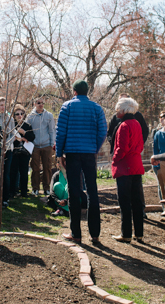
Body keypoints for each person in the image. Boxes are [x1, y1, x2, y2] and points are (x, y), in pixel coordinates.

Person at [56, 80, 107, 244]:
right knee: (92, 191)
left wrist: (59, 154)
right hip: (89, 153)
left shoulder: (67, 106)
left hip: (72, 152)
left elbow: (60, 132)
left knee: (73, 190)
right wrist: (95, 147)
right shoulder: (97, 108)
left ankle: (76, 233)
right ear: (88, 91)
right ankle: (95, 234)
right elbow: (102, 132)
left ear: (74, 91)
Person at [110, 98, 145, 243]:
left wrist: (114, 160)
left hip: (125, 167)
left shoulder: (124, 125)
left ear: (124, 110)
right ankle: (139, 233)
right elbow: (141, 145)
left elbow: (121, 148)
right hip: (136, 164)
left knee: (124, 201)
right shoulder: (137, 123)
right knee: (136, 201)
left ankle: (126, 234)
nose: (116, 111)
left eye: (118, 108)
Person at [27, 97, 56, 196]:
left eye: (42, 103)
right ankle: (35, 188)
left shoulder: (49, 115)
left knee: (47, 167)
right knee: (35, 168)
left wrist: (51, 144)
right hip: (35, 146)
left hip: (46, 145)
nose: (40, 105)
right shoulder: (30, 116)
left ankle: (47, 188)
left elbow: (52, 130)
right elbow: (28, 131)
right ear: (34, 104)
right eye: (38, 103)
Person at [9, 104, 35, 198]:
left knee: (24, 172)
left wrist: (23, 133)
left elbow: (32, 137)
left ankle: (24, 192)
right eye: (17, 114)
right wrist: (17, 138)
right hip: (14, 151)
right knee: (13, 172)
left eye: (22, 113)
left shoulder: (27, 125)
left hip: (25, 152)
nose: (20, 115)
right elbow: (9, 137)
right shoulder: (12, 125)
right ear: (14, 115)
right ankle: (12, 191)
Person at [0, 97, 15, 207]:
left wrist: (6, 146)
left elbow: (13, 134)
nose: (3, 107)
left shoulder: (10, 118)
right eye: (1, 105)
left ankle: (5, 198)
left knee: (6, 174)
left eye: (5, 105)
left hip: (8, 149)